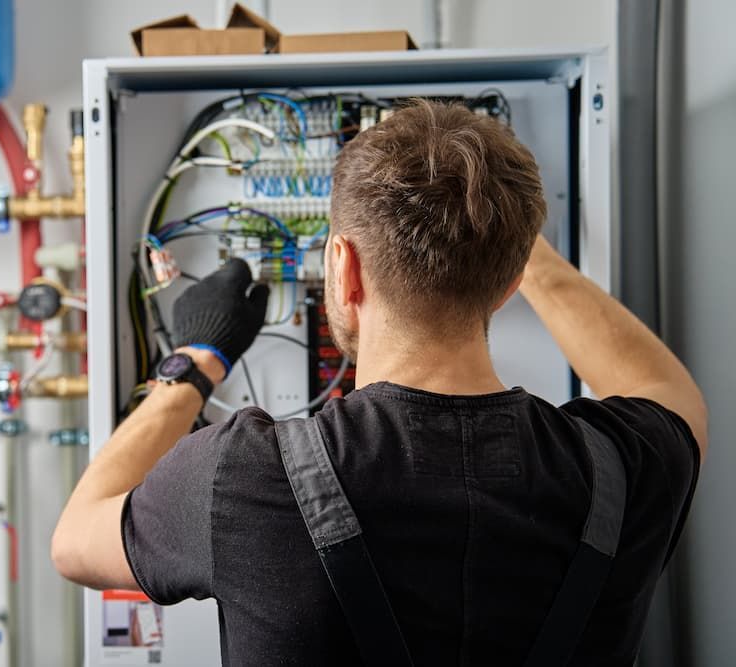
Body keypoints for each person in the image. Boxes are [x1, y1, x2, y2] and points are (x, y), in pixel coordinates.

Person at [51, 100, 706, 665]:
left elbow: (74, 541)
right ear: (509, 285)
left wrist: (194, 363)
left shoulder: (246, 478)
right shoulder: (623, 470)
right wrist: (511, 244)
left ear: (344, 269)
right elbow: (665, 387)